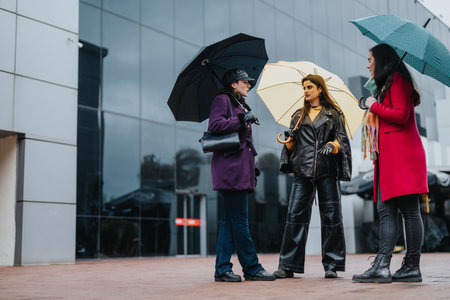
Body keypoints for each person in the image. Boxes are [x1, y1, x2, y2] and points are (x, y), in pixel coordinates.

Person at [352, 43, 428, 283]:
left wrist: (373, 105)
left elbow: (401, 115)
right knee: (386, 211)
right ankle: (382, 266)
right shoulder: (387, 83)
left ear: (381, 59)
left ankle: (411, 266)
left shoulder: (397, 79)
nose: (367, 64)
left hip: (402, 158)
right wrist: (374, 102)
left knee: (409, 212)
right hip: (390, 159)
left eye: (370, 59)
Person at [274, 74, 352, 279]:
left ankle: (332, 265)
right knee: (294, 217)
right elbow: (291, 148)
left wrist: (332, 145)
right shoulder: (298, 116)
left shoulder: (333, 114)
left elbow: (342, 141)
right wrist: (288, 140)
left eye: (309, 87)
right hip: (302, 172)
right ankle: (288, 265)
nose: (306, 91)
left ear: (320, 89)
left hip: (327, 172)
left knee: (332, 218)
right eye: (304, 87)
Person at [209, 68, 276, 282]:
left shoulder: (239, 104)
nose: (249, 85)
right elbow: (215, 125)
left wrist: (244, 116)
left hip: (238, 170)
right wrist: (241, 120)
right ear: (233, 84)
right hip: (230, 171)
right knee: (240, 221)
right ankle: (252, 267)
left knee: (230, 222)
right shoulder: (222, 100)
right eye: (244, 81)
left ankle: (222, 269)